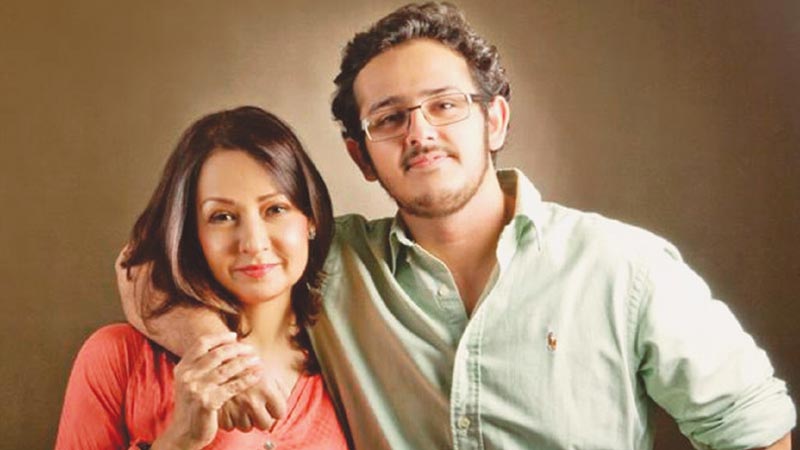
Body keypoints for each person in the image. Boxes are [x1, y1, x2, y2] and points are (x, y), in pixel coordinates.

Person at [117, 3, 796, 450]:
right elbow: (145, 267)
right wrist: (219, 356)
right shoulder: (332, 265)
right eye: (389, 118)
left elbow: (754, 428)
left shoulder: (624, 267)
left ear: (494, 120)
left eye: (445, 105)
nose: (420, 133)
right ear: (360, 155)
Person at [56, 106, 348, 450]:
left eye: (275, 209)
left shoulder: (348, 367)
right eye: (222, 216)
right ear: (191, 233)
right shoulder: (118, 357)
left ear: (311, 218)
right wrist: (181, 438)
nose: (253, 243)